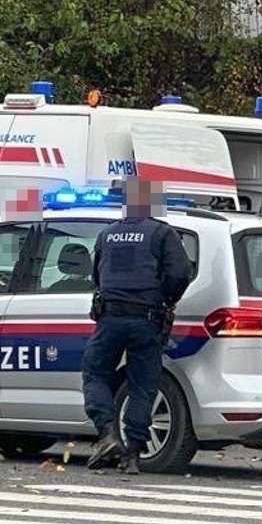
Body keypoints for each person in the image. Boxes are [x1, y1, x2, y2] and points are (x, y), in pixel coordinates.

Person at [84, 180, 195, 473]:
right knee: (142, 386)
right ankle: (132, 454)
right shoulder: (162, 233)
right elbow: (180, 274)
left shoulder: (107, 234)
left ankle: (108, 434)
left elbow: (97, 276)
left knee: (95, 373)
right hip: (147, 318)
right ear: (151, 203)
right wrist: (165, 300)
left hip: (110, 318)